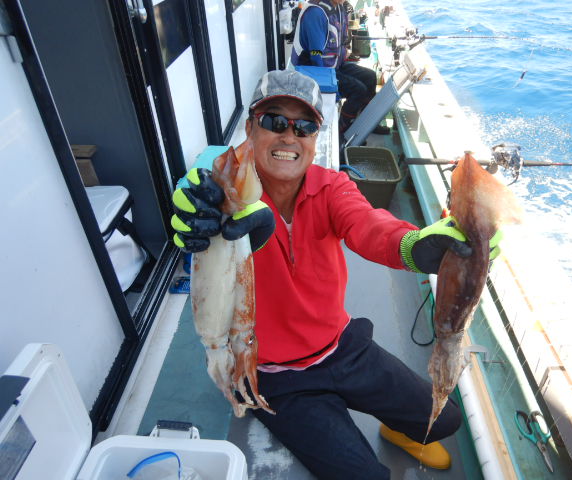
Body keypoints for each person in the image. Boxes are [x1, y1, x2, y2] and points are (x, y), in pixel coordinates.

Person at [172, 69, 494, 479]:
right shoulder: (225, 197)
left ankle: (396, 429)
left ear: (315, 138)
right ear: (251, 128)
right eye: (274, 121)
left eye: (304, 126)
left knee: (445, 419)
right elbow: (202, 190)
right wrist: (204, 211)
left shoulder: (332, 186)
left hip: (341, 347)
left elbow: (369, 226)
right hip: (274, 375)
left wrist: (415, 246)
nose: (289, 136)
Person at [290, 0, 390, 136]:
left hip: (334, 66)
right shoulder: (316, 13)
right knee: (358, 89)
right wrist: (330, 88)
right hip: (315, 71)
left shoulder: (338, 7)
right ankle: (343, 131)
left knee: (370, 77)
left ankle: (367, 122)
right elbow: (316, 56)